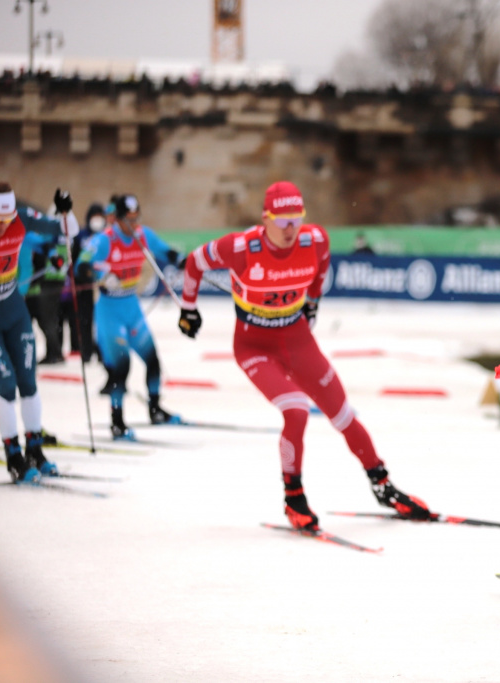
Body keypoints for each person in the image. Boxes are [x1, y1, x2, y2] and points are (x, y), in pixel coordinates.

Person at [176, 180, 431, 530]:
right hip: (254, 347)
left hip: (296, 341)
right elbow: (194, 263)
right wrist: (188, 310)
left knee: (343, 414)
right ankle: (293, 497)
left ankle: (383, 486)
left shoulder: (315, 240)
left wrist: (312, 304)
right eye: (282, 221)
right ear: (265, 218)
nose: (290, 228)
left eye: (296, 218)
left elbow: (320, 270)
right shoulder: (240, 247)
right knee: (296, 411)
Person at [0, 182, 77, 480]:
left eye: (6, 221)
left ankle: (34, 449)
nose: (1, 228)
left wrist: (66, 211)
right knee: (6, 384)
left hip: (14, 311)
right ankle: (13, 455)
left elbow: (68, 230)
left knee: (28, 382)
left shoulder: (20, 219)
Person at [74, 194, 185, 440]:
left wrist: (181, 260)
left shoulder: (142, 235)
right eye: (129, 219)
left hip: (131, 307)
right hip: (109, 311)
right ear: (118, 219)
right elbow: (80, 267)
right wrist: (99, 273)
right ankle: (117, 422)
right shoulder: (105, 240)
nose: (134, 224)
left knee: (152, 360)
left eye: (137, 219)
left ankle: (155, 409)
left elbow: (164, 251)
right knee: (121, 368)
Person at [59, 202, 105, 363]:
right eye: (95, 216)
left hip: (103, 283)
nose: (97, 220)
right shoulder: (81, 235)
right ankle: (86, 351)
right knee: (84, 320)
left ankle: (102, 351)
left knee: (102, 321)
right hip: (84, 285)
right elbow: (74, 259)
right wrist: (75, 278)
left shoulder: (107, 235)